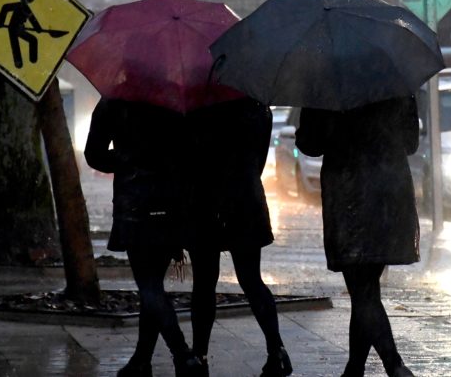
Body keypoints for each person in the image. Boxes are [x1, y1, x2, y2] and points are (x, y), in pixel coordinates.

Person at [295, 97, 419, 377]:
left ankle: (395, 366)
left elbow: (310, 144)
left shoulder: (326, 84)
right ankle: (354, 369)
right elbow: (411, 143)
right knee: (366, 290)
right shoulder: (395, 78)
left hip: (349, 196)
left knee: (363, 292)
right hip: (389, 196)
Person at [84, 98, 203, 377]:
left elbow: (94, 155)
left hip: (135, 206)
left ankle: (182, 355)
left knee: (149, 286)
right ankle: (141, 360)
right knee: (153, 287)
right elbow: (190, 151)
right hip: (170, 204)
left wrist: (127, 157)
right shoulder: (173, 99)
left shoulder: (113, 101)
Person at [186, 97, 292, 377]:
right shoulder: (257, 107)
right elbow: (258, 159)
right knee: (251, 279)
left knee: (204, 282)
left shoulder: (198, 104)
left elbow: (188, 157)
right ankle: (276, 350)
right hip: (246, 198)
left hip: (206, 200)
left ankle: (200, 355)